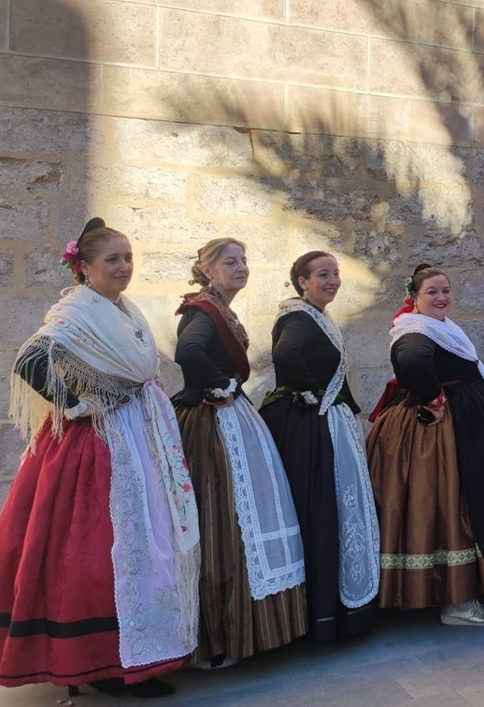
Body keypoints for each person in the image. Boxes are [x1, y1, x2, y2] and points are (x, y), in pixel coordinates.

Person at [0, 218, 198, 697]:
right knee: (100, 554)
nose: (124, 267)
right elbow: (31, 360)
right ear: (85, 268)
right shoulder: (77, 312)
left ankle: (139, 654)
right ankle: (101, 666)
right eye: (112, 259)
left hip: (136, 439)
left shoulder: (124, 310)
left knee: (144, 548)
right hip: (99, 449)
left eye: (128, 257)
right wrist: (74, 405)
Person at [369, 265, 484, 625]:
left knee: (475, 497)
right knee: (452, 504)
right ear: (414, 298)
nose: (441, 298)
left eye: (446, 291)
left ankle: (482, 583)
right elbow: (411, 360)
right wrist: (434, 401)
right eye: (432, 292)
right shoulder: (414, 330)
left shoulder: (443, 327)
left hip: (469, 422)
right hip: (442, 432)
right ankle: (457, 600)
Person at [173, 238, 306, 666]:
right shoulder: (202, 310)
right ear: (207, 270)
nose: (241, 267)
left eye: (244, 260)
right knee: (222, 521)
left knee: (238, 517)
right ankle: (220, 636)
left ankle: (245, 630)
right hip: (212, 425)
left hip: (231, 418)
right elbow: (187, 351)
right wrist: (221, 385)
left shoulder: (219, 309)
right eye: (230, 261)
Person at [261, 251, 379, 642]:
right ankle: (325, 614)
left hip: (323, 422)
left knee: (334, 510)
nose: (332, 281)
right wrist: (312, 392)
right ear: (303, 282)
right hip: (311, 428)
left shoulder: (316, 316)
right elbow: (285, 354)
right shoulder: (298, 317)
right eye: (323, 275)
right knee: (322, 508)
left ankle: (339, 610)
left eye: (335, 274)